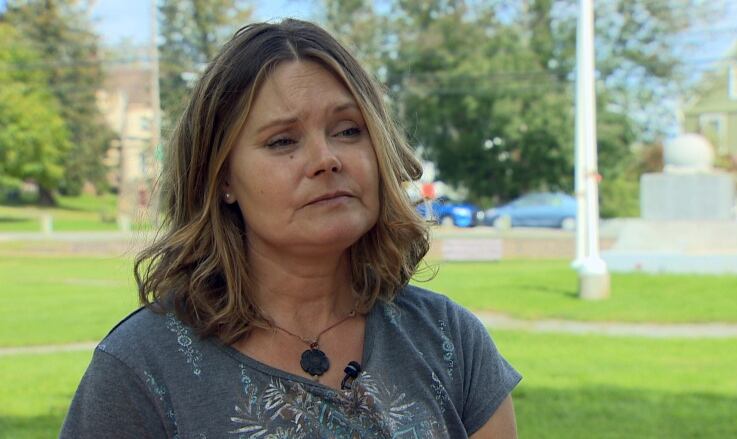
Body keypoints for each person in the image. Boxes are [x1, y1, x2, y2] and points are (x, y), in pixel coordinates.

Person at [60, 19, 520, 438]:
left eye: (348, 130)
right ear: (221, 179)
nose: (326, 159)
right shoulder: (139, 371)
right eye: (283, 141)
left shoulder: (449, 339)